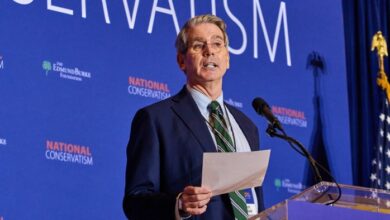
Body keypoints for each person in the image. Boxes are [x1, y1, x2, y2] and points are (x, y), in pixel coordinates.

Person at [123, 14, 264, 219]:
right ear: (182, 60)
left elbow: (255, 201)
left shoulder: (247, 126)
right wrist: (179, 203)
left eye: (217, 43)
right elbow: (135, 200)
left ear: (227, 58)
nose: (210, 51)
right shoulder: (156, 119)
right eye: (199, 45)